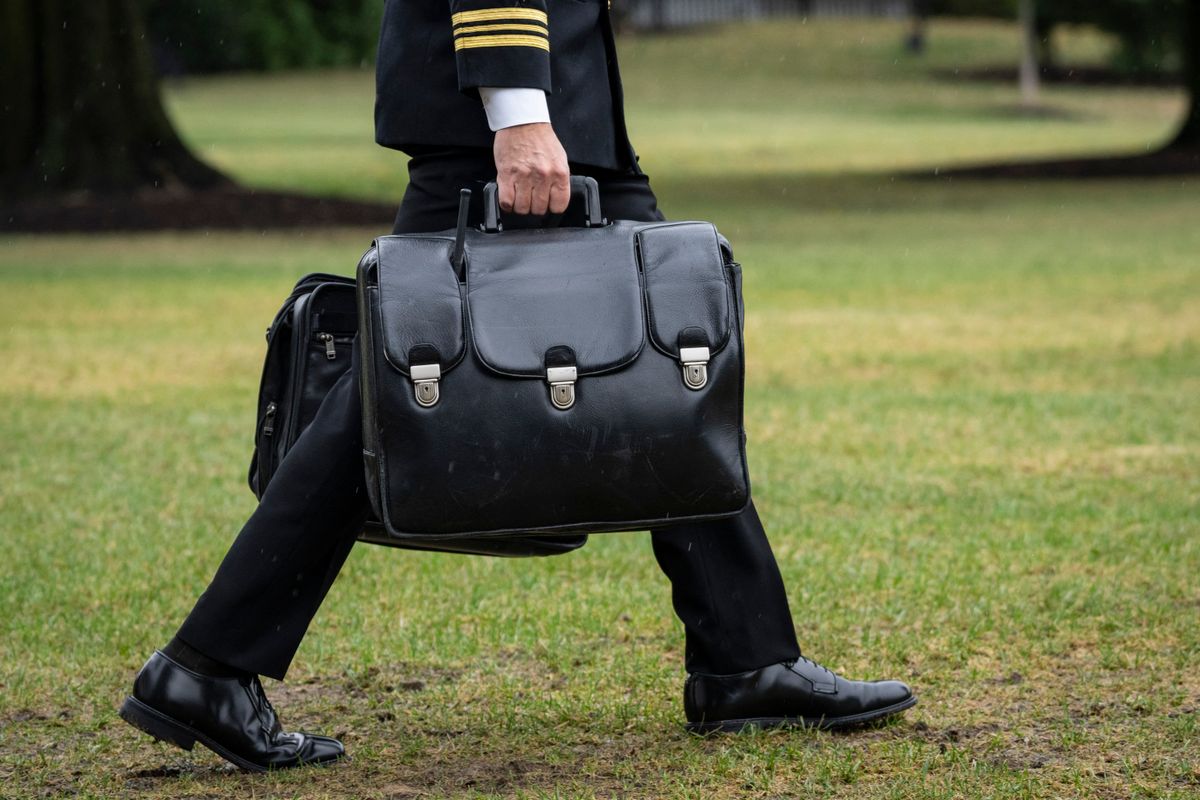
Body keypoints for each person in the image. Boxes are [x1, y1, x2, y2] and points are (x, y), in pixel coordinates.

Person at [119, 0, 916, 772]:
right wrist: (517, 112)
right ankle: (209, 665)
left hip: (550, 101)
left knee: (658, 372)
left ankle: (746, 659)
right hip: (503, 113)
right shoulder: (515, 115)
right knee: (398, 392)